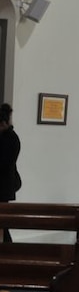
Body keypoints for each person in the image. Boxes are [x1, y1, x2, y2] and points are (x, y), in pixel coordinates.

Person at [0, 102, 21, 242]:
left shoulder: (11, 139)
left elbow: (3, 164)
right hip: (4, 186)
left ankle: (8, 251)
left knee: (2, 223)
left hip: (3, 187)